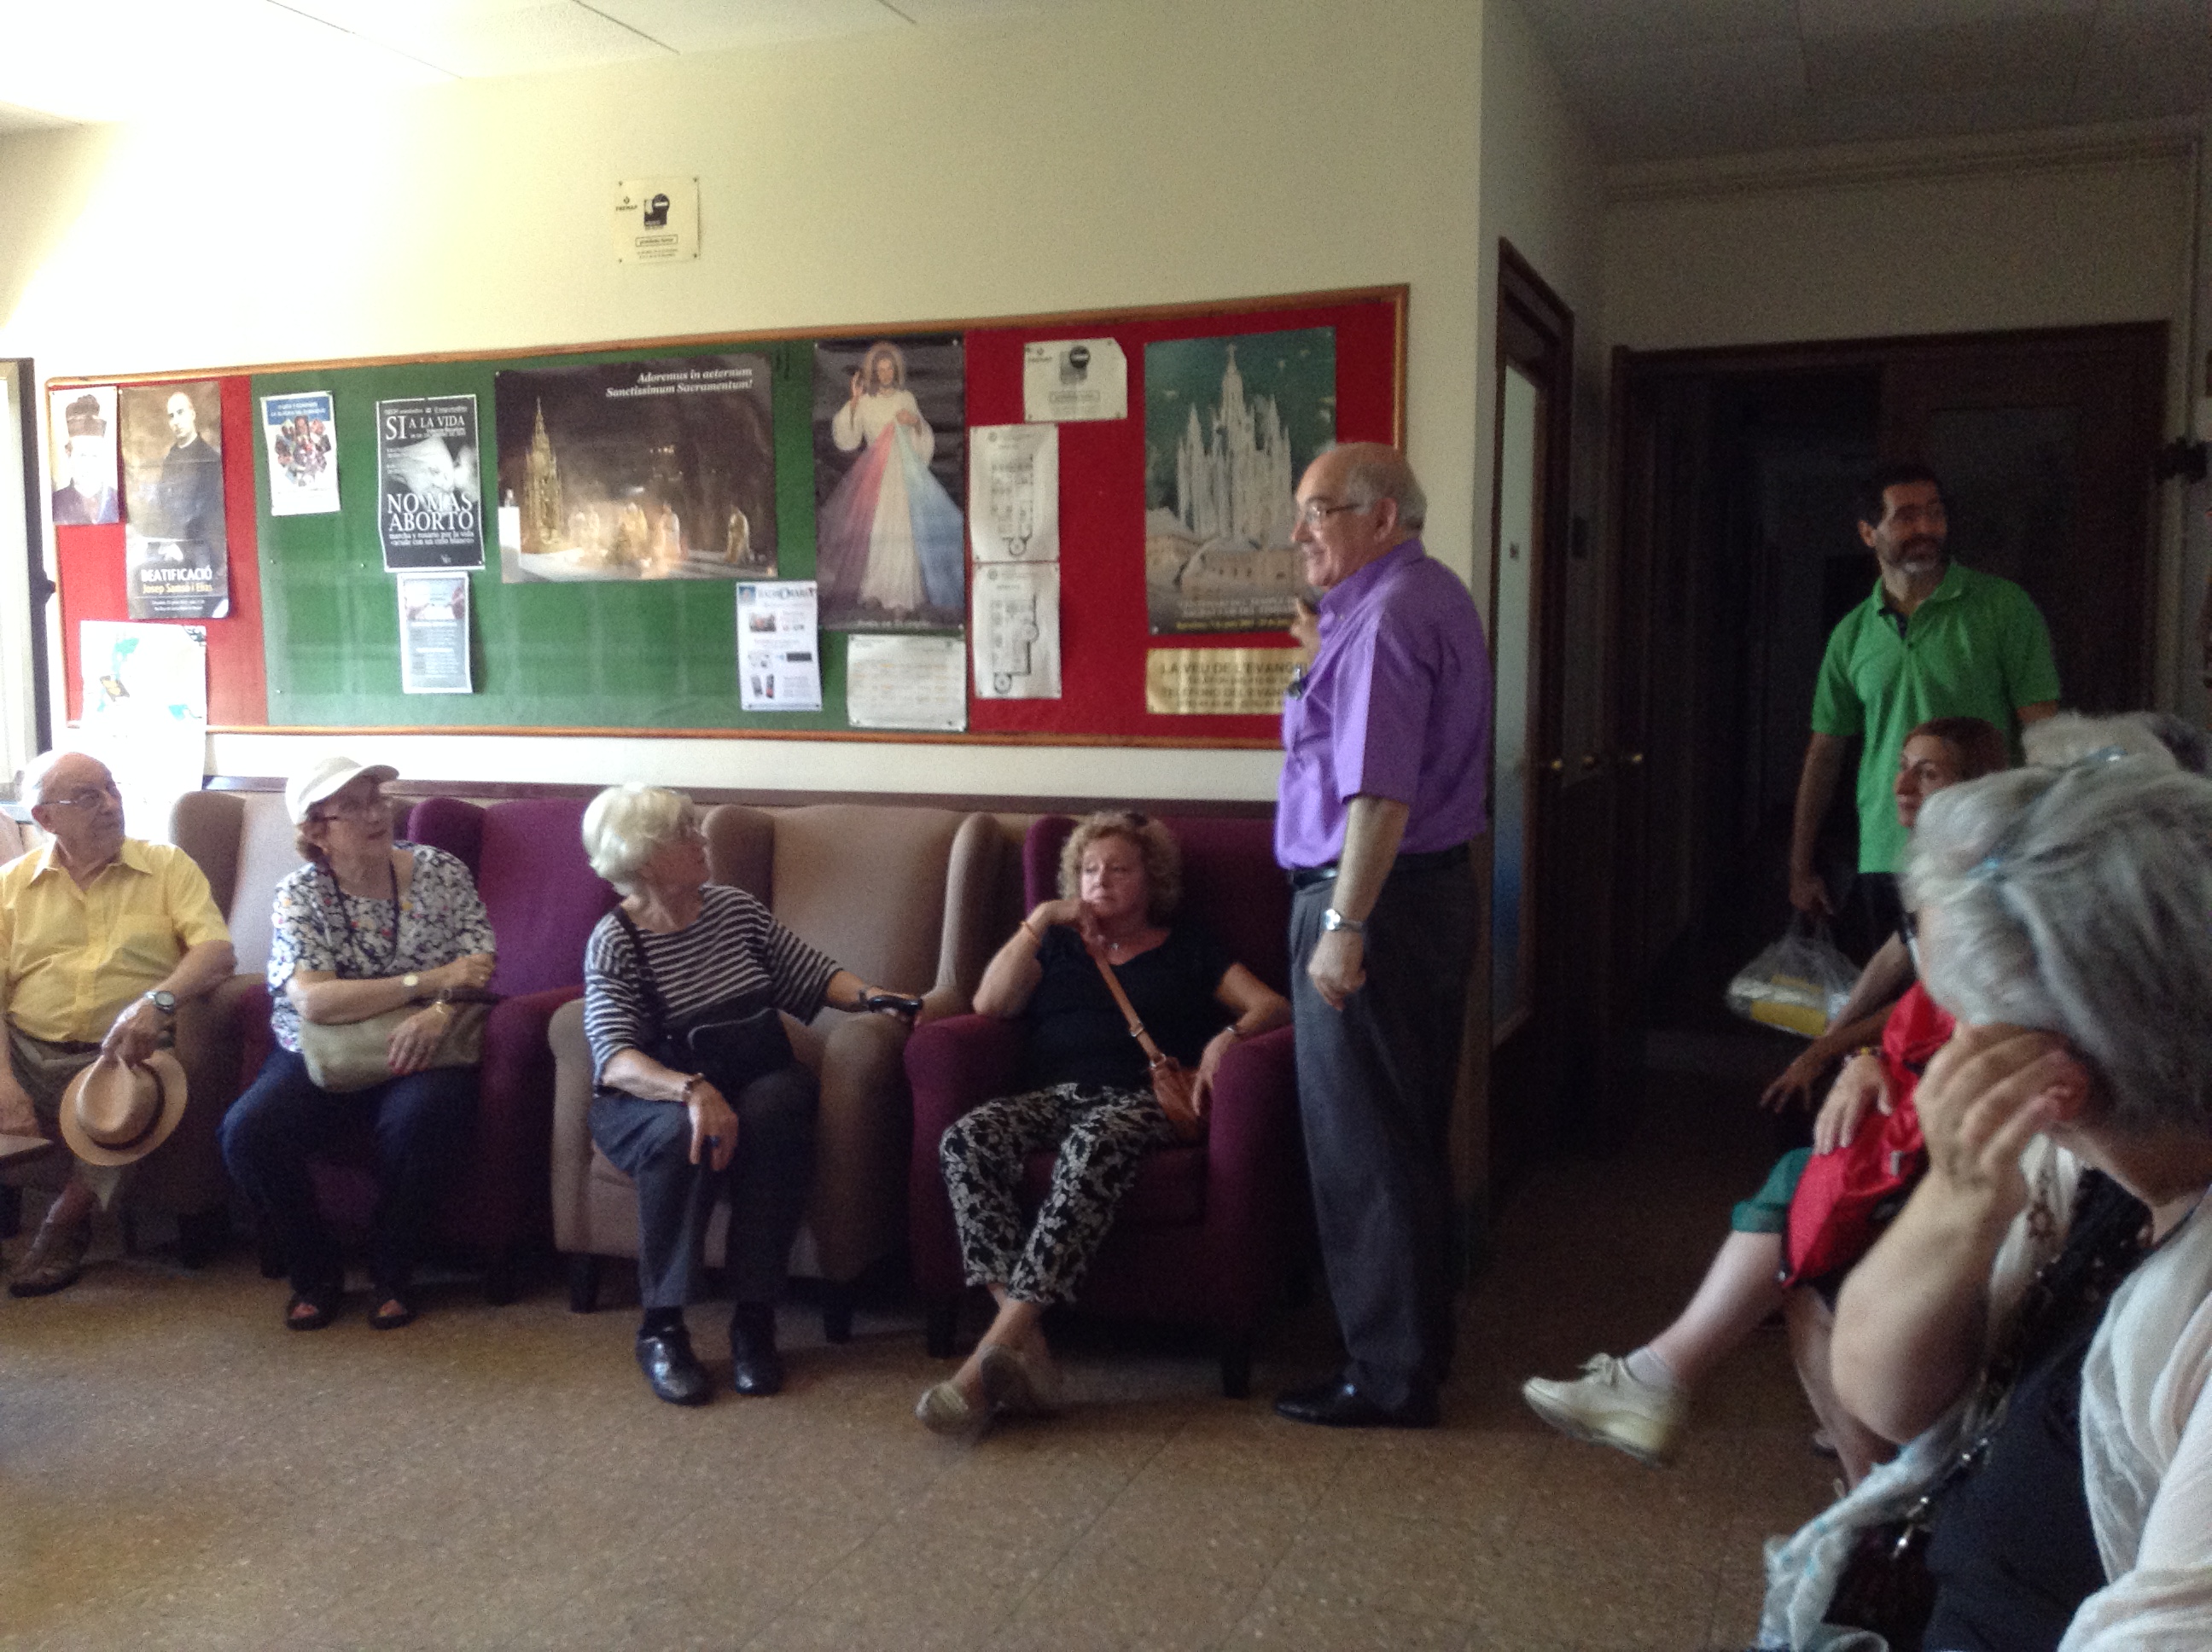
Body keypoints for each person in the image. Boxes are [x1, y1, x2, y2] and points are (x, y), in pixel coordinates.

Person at [1760, 749, 2212, 1652]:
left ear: (2053, 1075)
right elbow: (1887, 1401)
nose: (1944, 1041)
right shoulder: (2086, 1174)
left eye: (1958, 1014)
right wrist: (1960, 1198)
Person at [1525, 717, 2009, 1482]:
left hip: (1950, 1111)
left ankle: (1666, 1380)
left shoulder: (1989, 892)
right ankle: (1677, 1386)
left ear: (1976, 787)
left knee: (1798, 1202)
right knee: (1795, 1197)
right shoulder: (1939, 869)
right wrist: (1835, 1045)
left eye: (1929, 774)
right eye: (1902, 767)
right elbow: (1907, 963)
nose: (1901, 787)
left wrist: (1852, 1055)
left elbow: (1951, 1013)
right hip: (1912, 1082)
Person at [915, 811, 1289, 1434]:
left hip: (1139, 1101)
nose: (1100, 881)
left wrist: (1229, 1037)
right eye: (1089, 870)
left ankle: (983, 1364)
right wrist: (1041, 919)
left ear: (1152, 879)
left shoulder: (1187, 945)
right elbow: (989, 1004)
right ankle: (1026, 1347)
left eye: (1119, 869)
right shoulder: (1055, 945)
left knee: (1091, 1143)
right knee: (967, 1139)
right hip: (1053, 1097)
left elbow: (1271, 1006)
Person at [1270, 443, 1492, 1430]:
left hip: (1375, 902)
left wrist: (1343, 925)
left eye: (1318, 510)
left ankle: (1387, 1374)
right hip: (1420, 897)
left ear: (1382, 515)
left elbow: (1379, 793)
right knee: (1401, 1131)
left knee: (1363, 1144)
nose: (1299, 531)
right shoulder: (1418, 597)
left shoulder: (1389, 616)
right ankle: (1415, 1350)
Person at [579, 784, 923, 1406]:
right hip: (650, 1099)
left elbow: (812, 975)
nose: (702, 839)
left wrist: (874, 998)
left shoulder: (733, 910)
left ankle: (754, 1320)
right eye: (686, 833)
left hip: (755, 1078)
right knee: (680, 1135)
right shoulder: (616, 940)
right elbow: (615, 1058)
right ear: (645, 858)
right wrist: (691, 1090)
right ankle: (661, 1329)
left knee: (780, 1107)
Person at [218, 758, 494, 1331]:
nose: (376, 815)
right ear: (316, 830)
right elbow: (315, 1002)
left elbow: (478, 964)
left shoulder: (439, 870)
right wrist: (426, 982)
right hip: (321, 1051)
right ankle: (315, 1272)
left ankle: (393, 1272)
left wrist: (440, 1010)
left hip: (427, 1043)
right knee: (247, 1133)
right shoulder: (300, 894)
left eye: (378, 799)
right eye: (354, 806)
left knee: (420, 1119)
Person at [1787, 462, 2058, 945]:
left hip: (1983, 848)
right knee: (1894, 991)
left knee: (1974, 992)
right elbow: (1825, 753)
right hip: (1885, 851)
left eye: (1935, 513)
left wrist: (2045, 842)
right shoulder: (1852, 635)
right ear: (1868, 533)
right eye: (1907, 516)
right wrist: (1800, 866)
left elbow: (2044, 733)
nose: (1927, 528)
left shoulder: (2004, 608)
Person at [0, 749, 234, 1295]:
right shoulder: (10, 886)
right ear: (46, 818)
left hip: (123, 1053)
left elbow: (217, 953)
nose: (110, 804)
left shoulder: (167, 866)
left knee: (144, 1091)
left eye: (111, 788)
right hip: (27, 1049)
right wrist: (5, 1083)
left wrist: (157, 1001)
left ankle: (65, 1220)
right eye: (88, 796)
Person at [816, 341, 964, 622]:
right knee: (877, 530)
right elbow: (848, 440)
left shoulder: (906, 398)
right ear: (873, 372)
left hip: (904, 473)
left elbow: (923, 438)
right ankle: (876, 589)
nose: (885, 374)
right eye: (880, 369)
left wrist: (915, 423)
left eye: (889, 369)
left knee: (903, 530)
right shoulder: (866, 402)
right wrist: (854, 401)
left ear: (895, 371)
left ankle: (901, 595)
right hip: (876, 474)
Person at [155, 388, 224, 548]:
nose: (176, 421)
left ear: (192, 414)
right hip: (171, 540)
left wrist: (181, 545)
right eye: (171, 416)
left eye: (180, 413)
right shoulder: (170, 458)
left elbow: (207, 510)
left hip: (199, 544)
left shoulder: (209, 457)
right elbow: (163, 500)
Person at [50, 393, 118, 526]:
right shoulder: (55, 503)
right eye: (82, 455)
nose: (88, 465)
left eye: (95, 456)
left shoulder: (117, 499)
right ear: (69, 455)